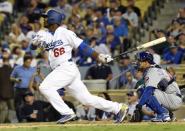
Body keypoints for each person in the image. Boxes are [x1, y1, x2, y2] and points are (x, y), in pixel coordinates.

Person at [30, 9, 128, 124]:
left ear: (52, 19)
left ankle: (67, 112)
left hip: (66, 67)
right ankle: (118, 108)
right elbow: (32, 48)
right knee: (87, 99)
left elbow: (83, 47)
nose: (44, 19)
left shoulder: (64, 32)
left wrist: (99, 56)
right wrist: (34, 43)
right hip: (62, 70)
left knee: (45, 87)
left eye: (46, 17)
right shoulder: (43, 34)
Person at [133, 51, 182, 122]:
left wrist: (139, 106)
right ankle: (169, 115)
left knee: (143, 90)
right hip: (173, 97)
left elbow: (148, 91)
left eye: (140, 61)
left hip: (173, 99)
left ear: (146, 62)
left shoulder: (152, 71)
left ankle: (163, 114)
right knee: (146, 90)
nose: (137, 63)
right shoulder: (155, 69)